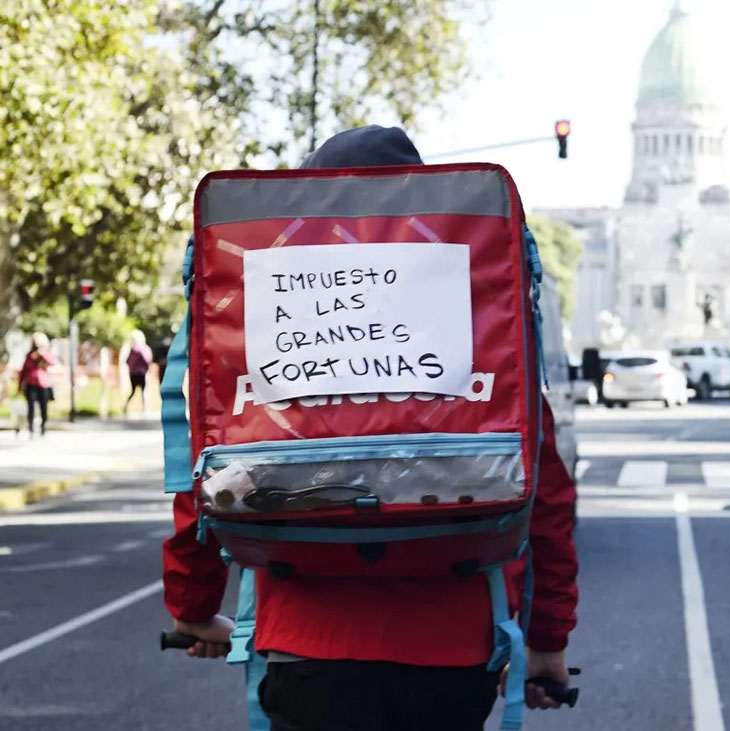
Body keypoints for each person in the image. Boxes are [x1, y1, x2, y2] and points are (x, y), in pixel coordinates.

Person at [163, 126, 580, 731]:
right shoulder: (479, 337)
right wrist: (547, 643)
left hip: (307, 647)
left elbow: (208, 480)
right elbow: (547, 501)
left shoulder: (272, 319)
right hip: (452, 652)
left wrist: (193, 608)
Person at [18, 332, 56, 437]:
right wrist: (20, 385)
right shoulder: (29, 355)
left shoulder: (45, 353)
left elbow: (52, 362)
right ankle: (30, 426)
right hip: (31, 385)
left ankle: (43, 426)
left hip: (44, 385)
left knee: (44, 407)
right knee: (31, 407)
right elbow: (23, 371)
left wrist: (42, 353)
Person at [124, 330, 153, 415]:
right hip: (141, 373)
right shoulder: (144, 349)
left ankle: (126, 406)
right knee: (143, 390)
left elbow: (127, 361)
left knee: (133, 391)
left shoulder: (132, 349)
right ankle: (145, 408)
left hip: (133, 373)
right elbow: (148, 360)